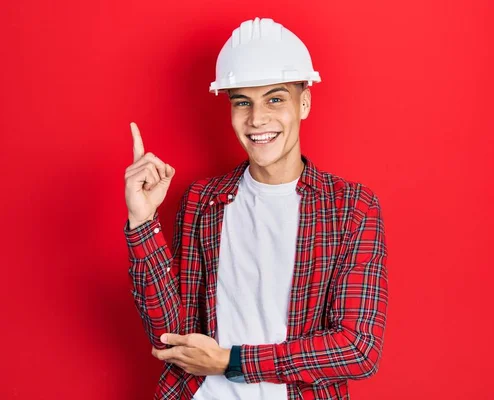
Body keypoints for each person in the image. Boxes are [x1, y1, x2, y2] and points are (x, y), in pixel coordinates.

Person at [123, 17, 389, 400]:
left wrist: (232, 361)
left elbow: (358, 348)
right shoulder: (203, 201)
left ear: (305, 103)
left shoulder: (351, 208)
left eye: (275, 99)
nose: (257, 118)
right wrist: (142, 221)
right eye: (242, 102)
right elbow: (170, 335)